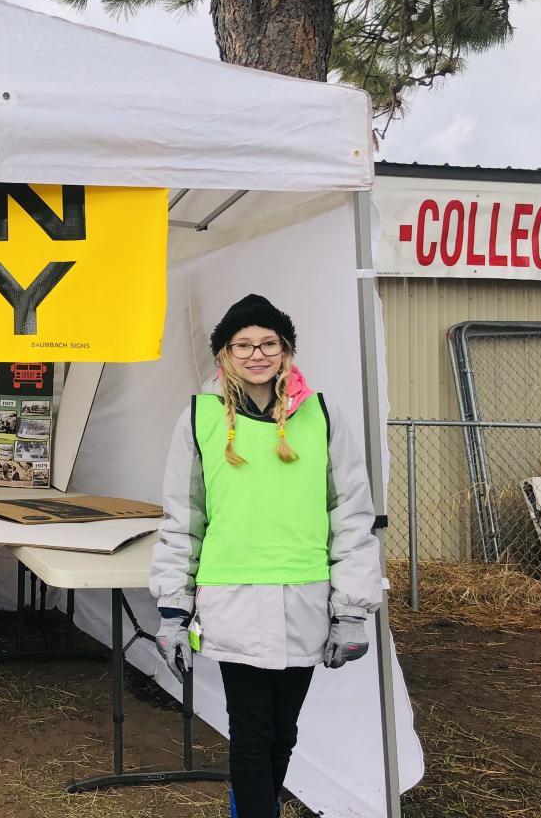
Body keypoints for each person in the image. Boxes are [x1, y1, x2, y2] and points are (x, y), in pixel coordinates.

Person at [149, 294, 382, 818]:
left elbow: (350, 512)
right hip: (232, 597)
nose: (257, 354)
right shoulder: (199, 416)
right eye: (243, 344)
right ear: (224, 354)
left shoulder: (322, 414)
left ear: (286, 351)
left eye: (269, 343)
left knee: (283, 731)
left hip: (305, 595)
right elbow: (184, 516)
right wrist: (172, 610)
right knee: (252, 732)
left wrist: (352, 610)